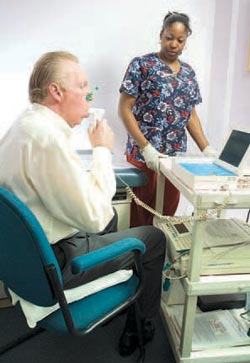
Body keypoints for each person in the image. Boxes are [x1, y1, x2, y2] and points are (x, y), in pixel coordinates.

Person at [0, 51, 167, 357]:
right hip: (57, 265)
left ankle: (117, 299)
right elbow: (95, 217)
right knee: (154, 239)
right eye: (83, 86)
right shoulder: (48, 140)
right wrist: (102, 150)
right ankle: (142, 325)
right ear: (57, 91)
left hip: (29, 260)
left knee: (113, 223)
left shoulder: (23, 125)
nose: (89, 95)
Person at [118, 11, 216, 227]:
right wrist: (145, 148)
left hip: (174, 159)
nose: (174, 44)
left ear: (186, 41)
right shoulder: (141, 65)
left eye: (180, 40)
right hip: (144, 156)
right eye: (169, 37)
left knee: (166, 216)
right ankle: (134, 259)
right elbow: (124, 109)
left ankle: (160, 258)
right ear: (161, 35)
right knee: (139, 214)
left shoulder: (188, 73)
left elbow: (189, 114)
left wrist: (207, 149)